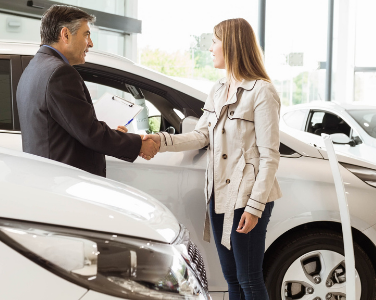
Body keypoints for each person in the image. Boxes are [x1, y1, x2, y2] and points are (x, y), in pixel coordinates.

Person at [142, 18, 281, 300]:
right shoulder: (218, 89)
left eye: (215, 42)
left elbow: (270, 156)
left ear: (231, 45)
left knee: (249, 278)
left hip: (247, 198)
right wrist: (160, 141)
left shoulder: (262, 91)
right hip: (218, 196)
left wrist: (254, 208)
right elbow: (201, 135)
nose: (211, 49)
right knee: (231, 278)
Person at [16, 5, 158, 177]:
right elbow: (90, 134)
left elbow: (67, 128)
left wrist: (109, 133)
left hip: (47, 177)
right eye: (87, 35)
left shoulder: (34, 68)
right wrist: (138, 144)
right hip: (64, 182)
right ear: (65, 35)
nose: (90, 43)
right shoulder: (60, 73)